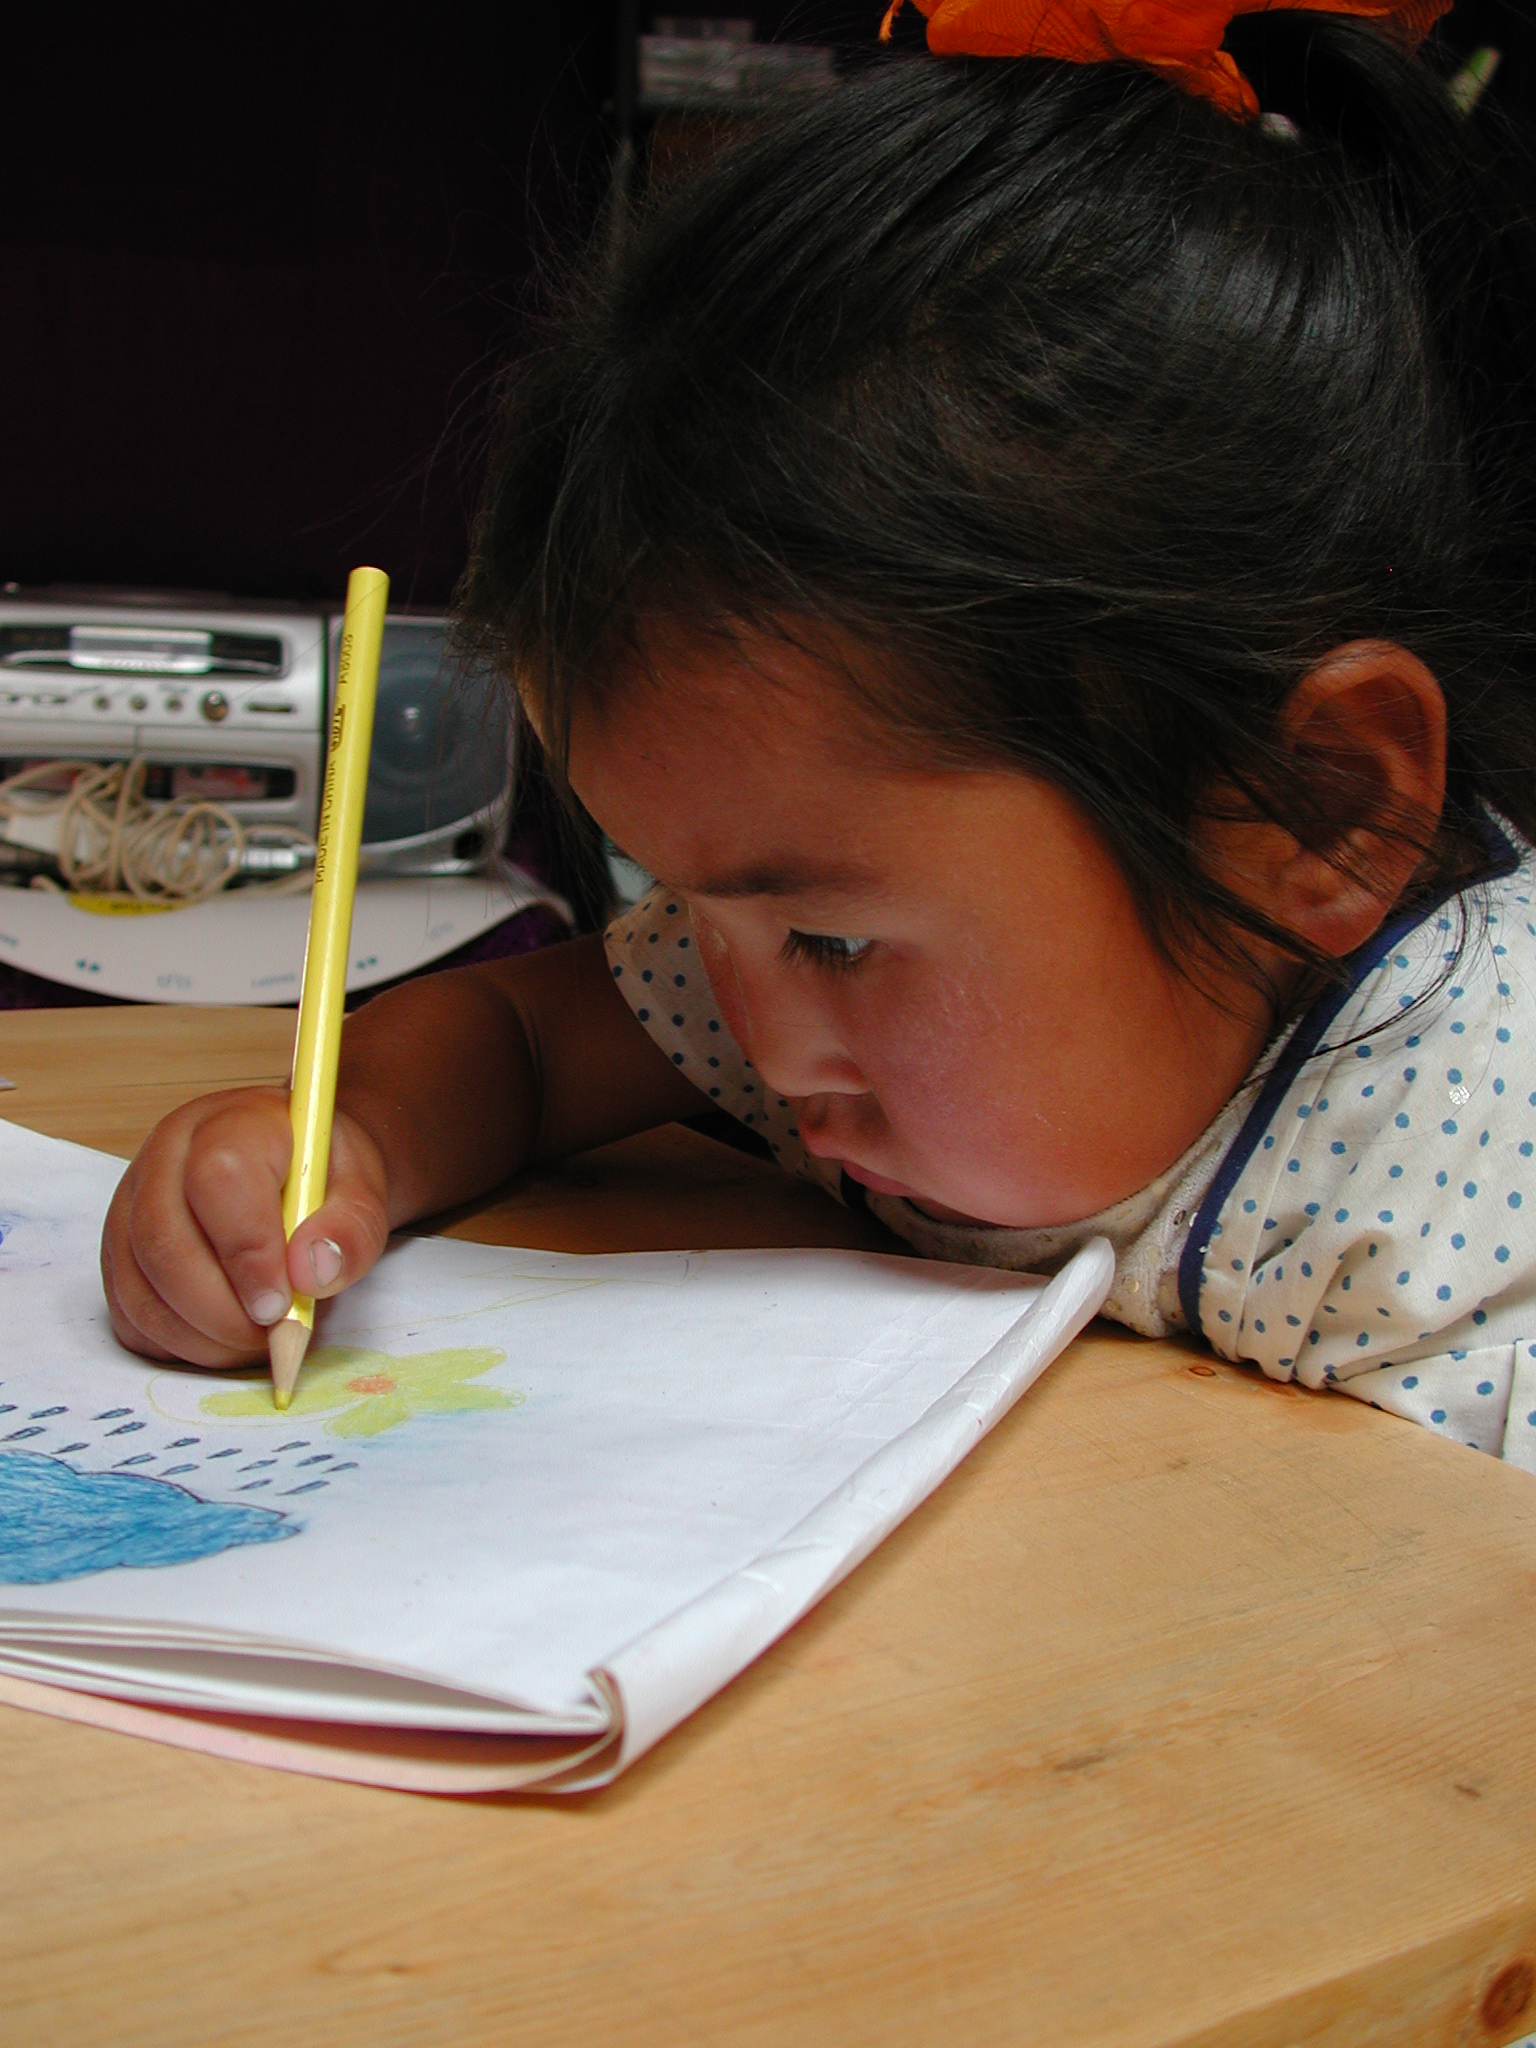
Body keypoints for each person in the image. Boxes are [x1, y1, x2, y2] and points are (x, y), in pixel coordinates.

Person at [102, 2, 1536, 1466]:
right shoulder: (799, 947)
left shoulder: (1473, 1178)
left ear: (1309, 808)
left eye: (835, 945)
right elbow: (523, 1040)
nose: (763, 1047)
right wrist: (338, 1148)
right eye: (675, 895)